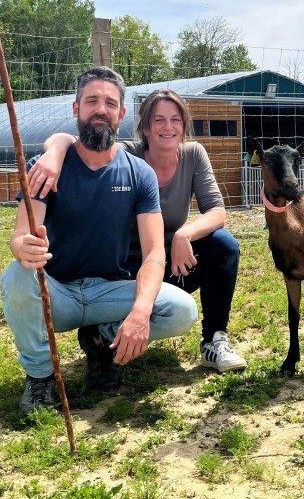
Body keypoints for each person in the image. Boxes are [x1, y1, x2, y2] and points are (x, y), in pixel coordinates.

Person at [0, 67, 197, 413]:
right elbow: (20, 236)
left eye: (110, 103)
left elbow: (154, 254)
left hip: (110, 292)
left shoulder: (139, 173)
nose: (101, 110)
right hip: (57, 292)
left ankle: (105, 336)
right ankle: (41, 377)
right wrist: (23, 248)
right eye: (92, 101)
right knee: (16, 276)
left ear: (121, 115)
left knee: (182, 311)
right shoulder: (45, 167)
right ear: (76, 109)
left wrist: (140, 312)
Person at [28, 88, 248, 374]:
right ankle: (100, 336)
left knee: (223, 245)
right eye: (158, 120)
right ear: (144, 127)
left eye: (175, 119)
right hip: (123, 267)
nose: (168, 127)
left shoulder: (193, 154)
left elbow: (217, 212)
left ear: (184, 125)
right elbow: (70, 141)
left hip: (170, 259)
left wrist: (184, 235)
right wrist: (55, 152)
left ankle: (214, 341)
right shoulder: (125, 155)